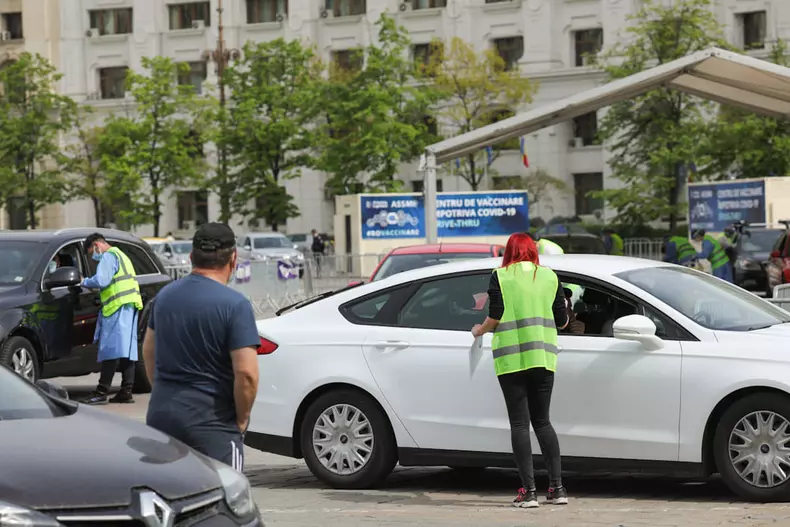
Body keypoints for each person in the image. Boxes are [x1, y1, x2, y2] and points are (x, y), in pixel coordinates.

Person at [143, 223, 260, 471]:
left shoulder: (163, 297)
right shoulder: (235, 305)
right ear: (233, 258)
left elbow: (148, 351)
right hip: (212, 425)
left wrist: (163, 391)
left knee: (167, 499)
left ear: (190, 256)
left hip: (162, 418)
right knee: (226, 501)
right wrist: (241, 418)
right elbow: (247, 374)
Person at [471, 233, 569, 508]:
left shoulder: (500, 276)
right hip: (543, 357)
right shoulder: (550, 276)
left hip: (512, 359)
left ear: (510, 252)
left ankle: (529, 493)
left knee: (519, 423)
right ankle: (558, 489)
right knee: (543, 421)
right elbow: (561, 322)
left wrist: (479, 330)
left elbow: (496, 315)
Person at [80, 233, 144, 405]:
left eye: (92, 252)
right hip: (129, 306)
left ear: (96, 246)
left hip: (116, 306)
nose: (94, 257)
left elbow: (102, 280)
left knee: (110, 349)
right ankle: (126, 391)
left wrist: (84, 281)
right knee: (127, 351)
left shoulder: (108, 256)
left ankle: (101, 391)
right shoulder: (121, 255)